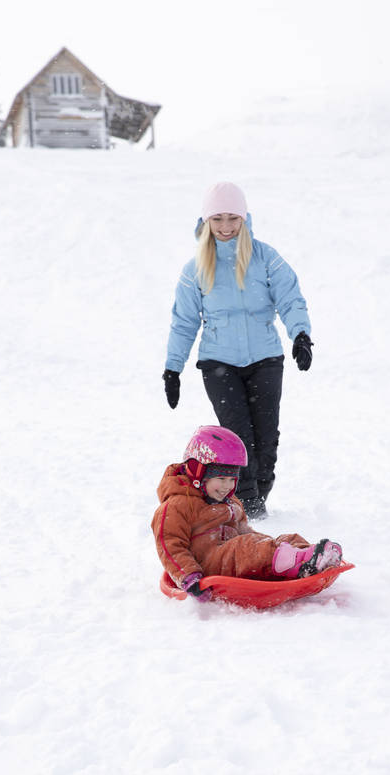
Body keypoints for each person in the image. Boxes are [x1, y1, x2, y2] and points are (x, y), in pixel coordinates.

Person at [162, 181, 314, 520]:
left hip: (265, 360)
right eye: (218, 219)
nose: (226, 226)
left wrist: (300, 335)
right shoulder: (195, 269)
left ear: (244, 218)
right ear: (206, 221)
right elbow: (184, 322)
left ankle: (260, 491)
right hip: (219, 363)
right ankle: (249, 507)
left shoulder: (265, 258)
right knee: (238, 436)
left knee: (266, 438)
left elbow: (291, 298)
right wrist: (173, 369)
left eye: (233, 218)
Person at [152, 425, 342, 602]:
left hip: (237, 557)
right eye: (221, 478)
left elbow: (243, 530)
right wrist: (189, 576)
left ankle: (312, 558)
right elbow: (170, 546)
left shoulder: (230, 501)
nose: (227, 486)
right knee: (247, 546)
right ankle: (298, 562)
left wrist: (271, 544)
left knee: (282, 539)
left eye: (232, 479)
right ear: (198, 473)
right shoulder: (177, 506)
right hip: (207, 566)